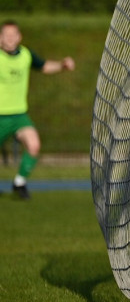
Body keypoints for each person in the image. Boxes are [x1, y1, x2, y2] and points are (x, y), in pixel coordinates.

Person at [0, 21, 75, 199]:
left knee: (34, 145)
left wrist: (62, 65)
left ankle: (19, 183)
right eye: (6, 35)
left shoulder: (26, 55)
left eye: (13, 35)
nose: (10, 38)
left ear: (19, 37)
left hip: (19, 115)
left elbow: (44, 66)